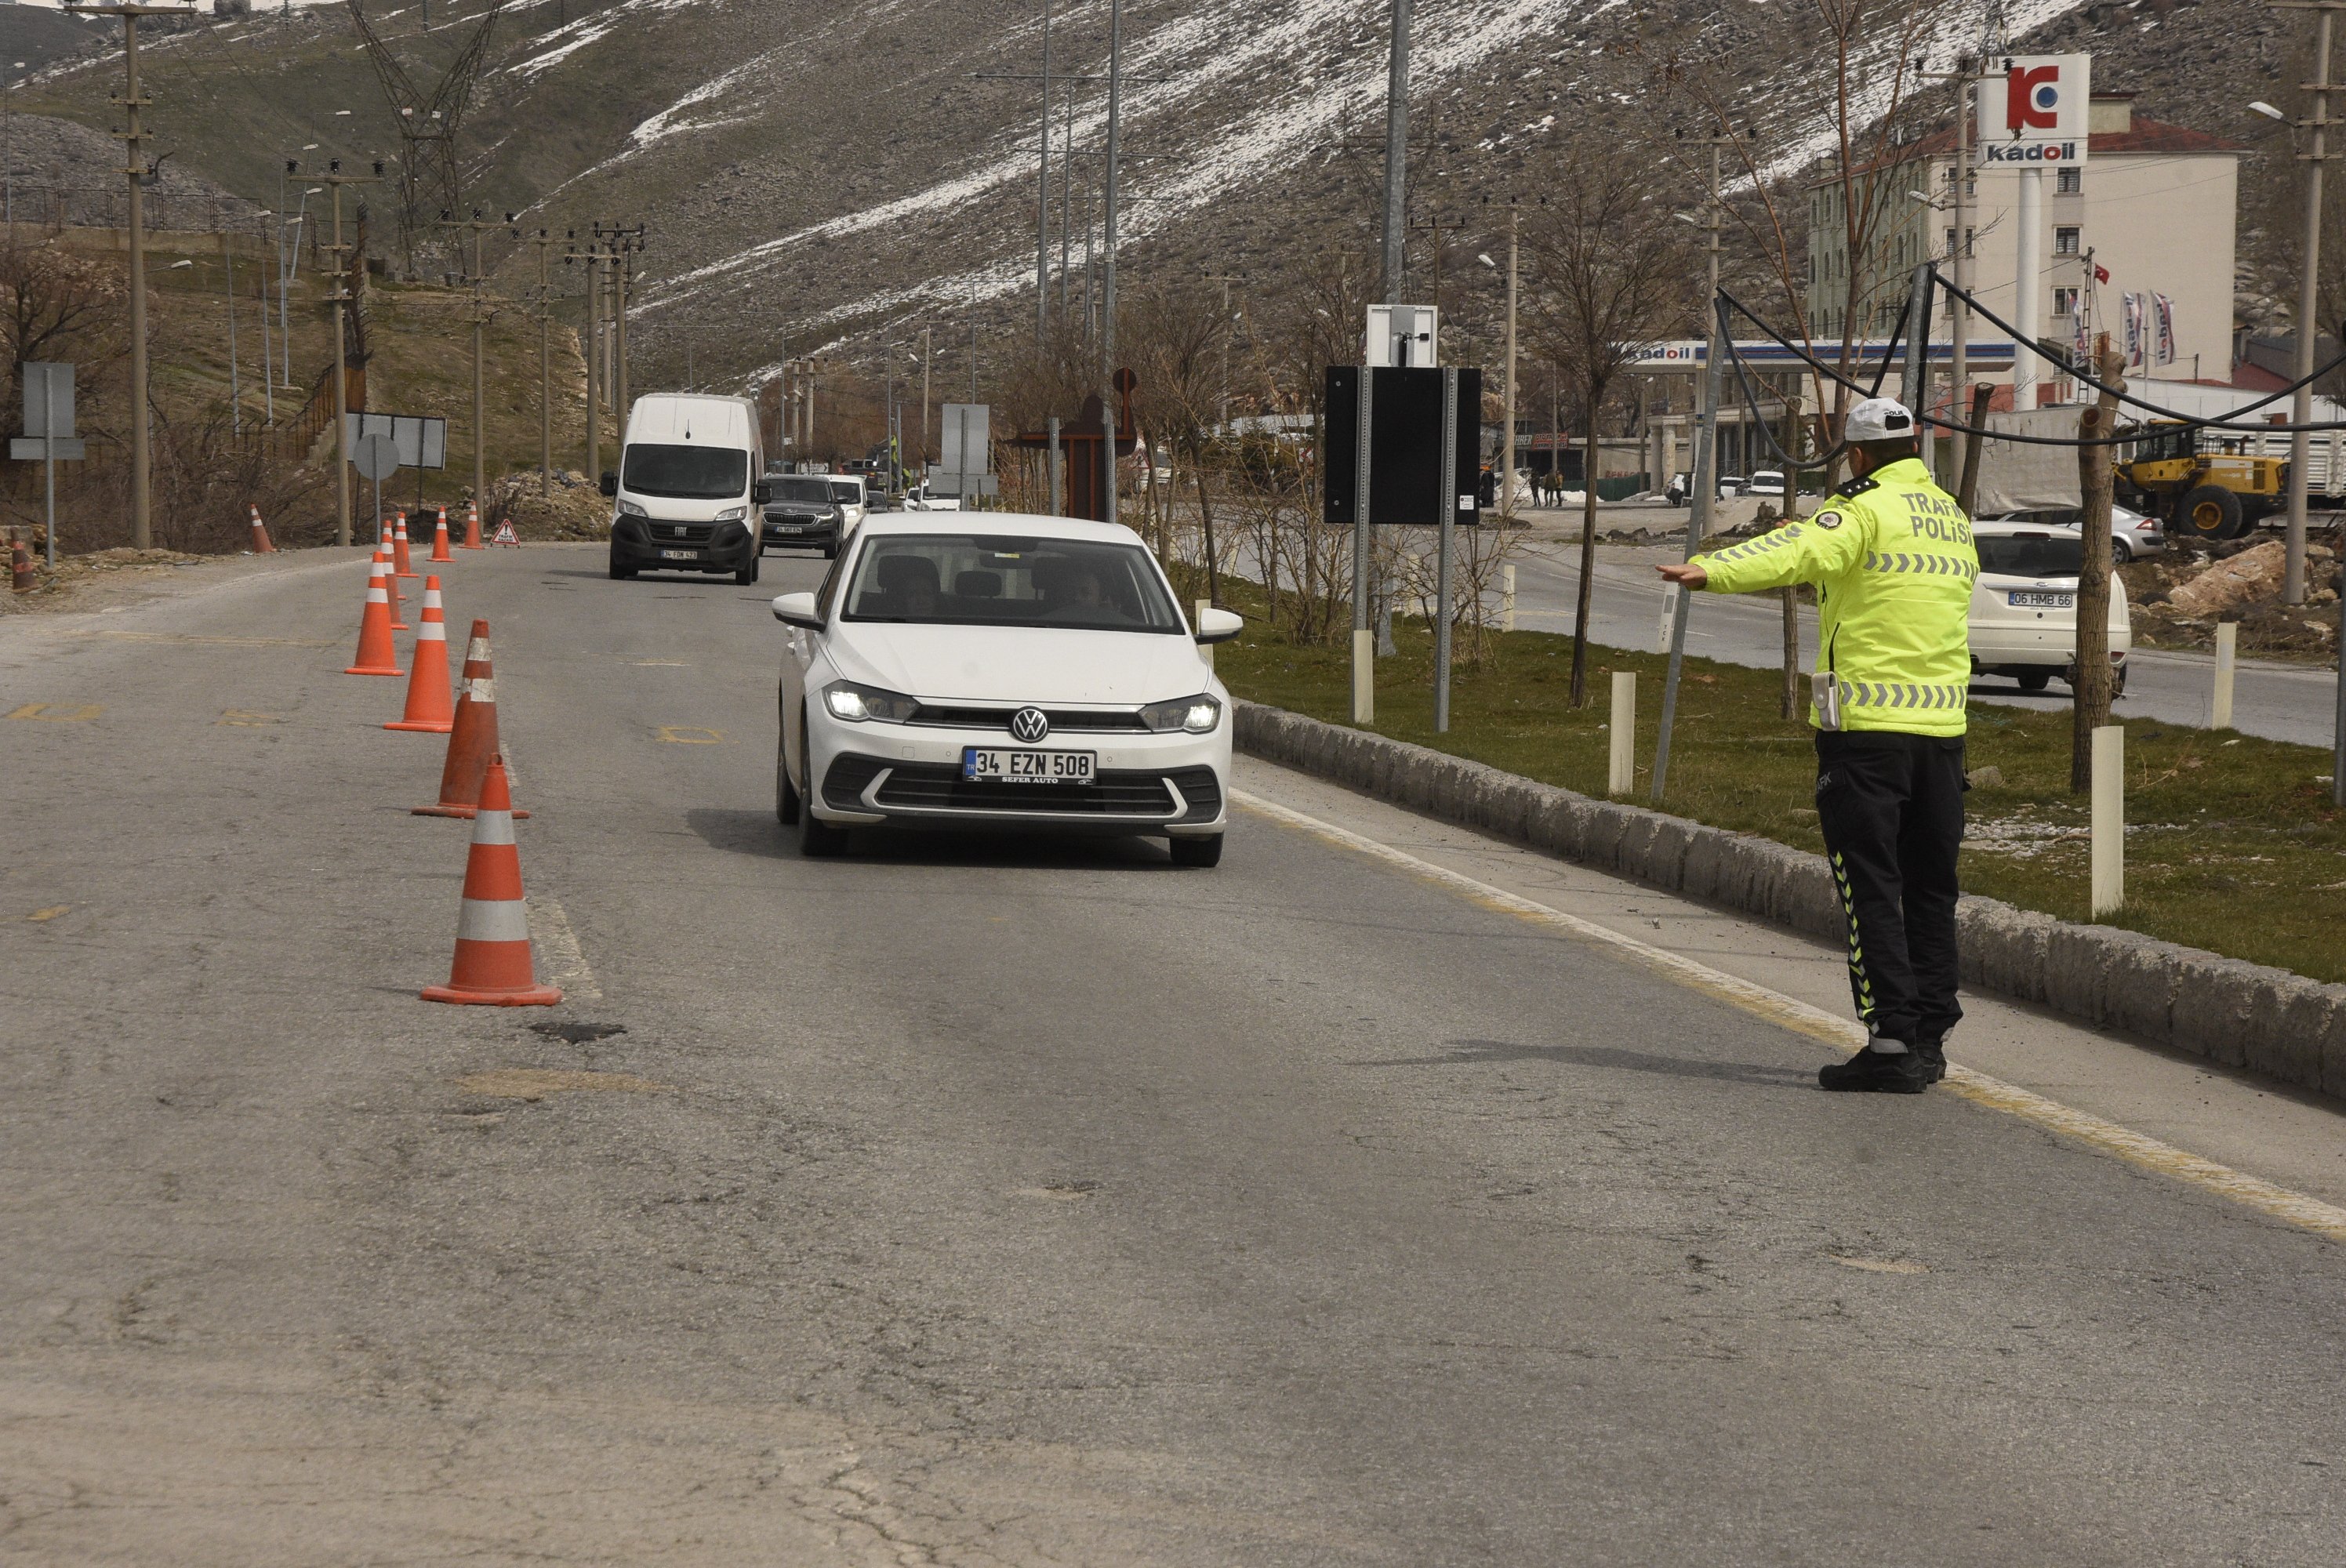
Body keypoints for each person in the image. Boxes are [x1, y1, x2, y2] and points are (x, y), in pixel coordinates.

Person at [1656, 397, 1977, 1094]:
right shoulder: (1951, 517)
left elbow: (1801, 549)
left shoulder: (1860, 509)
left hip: (1867, 734)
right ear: (1914, 448)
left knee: (1871, 889)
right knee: (1930, 891)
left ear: (1856, 456)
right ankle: (1928, 1040)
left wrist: (1712, 570)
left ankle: (1890, 1044)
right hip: (1943, 737)